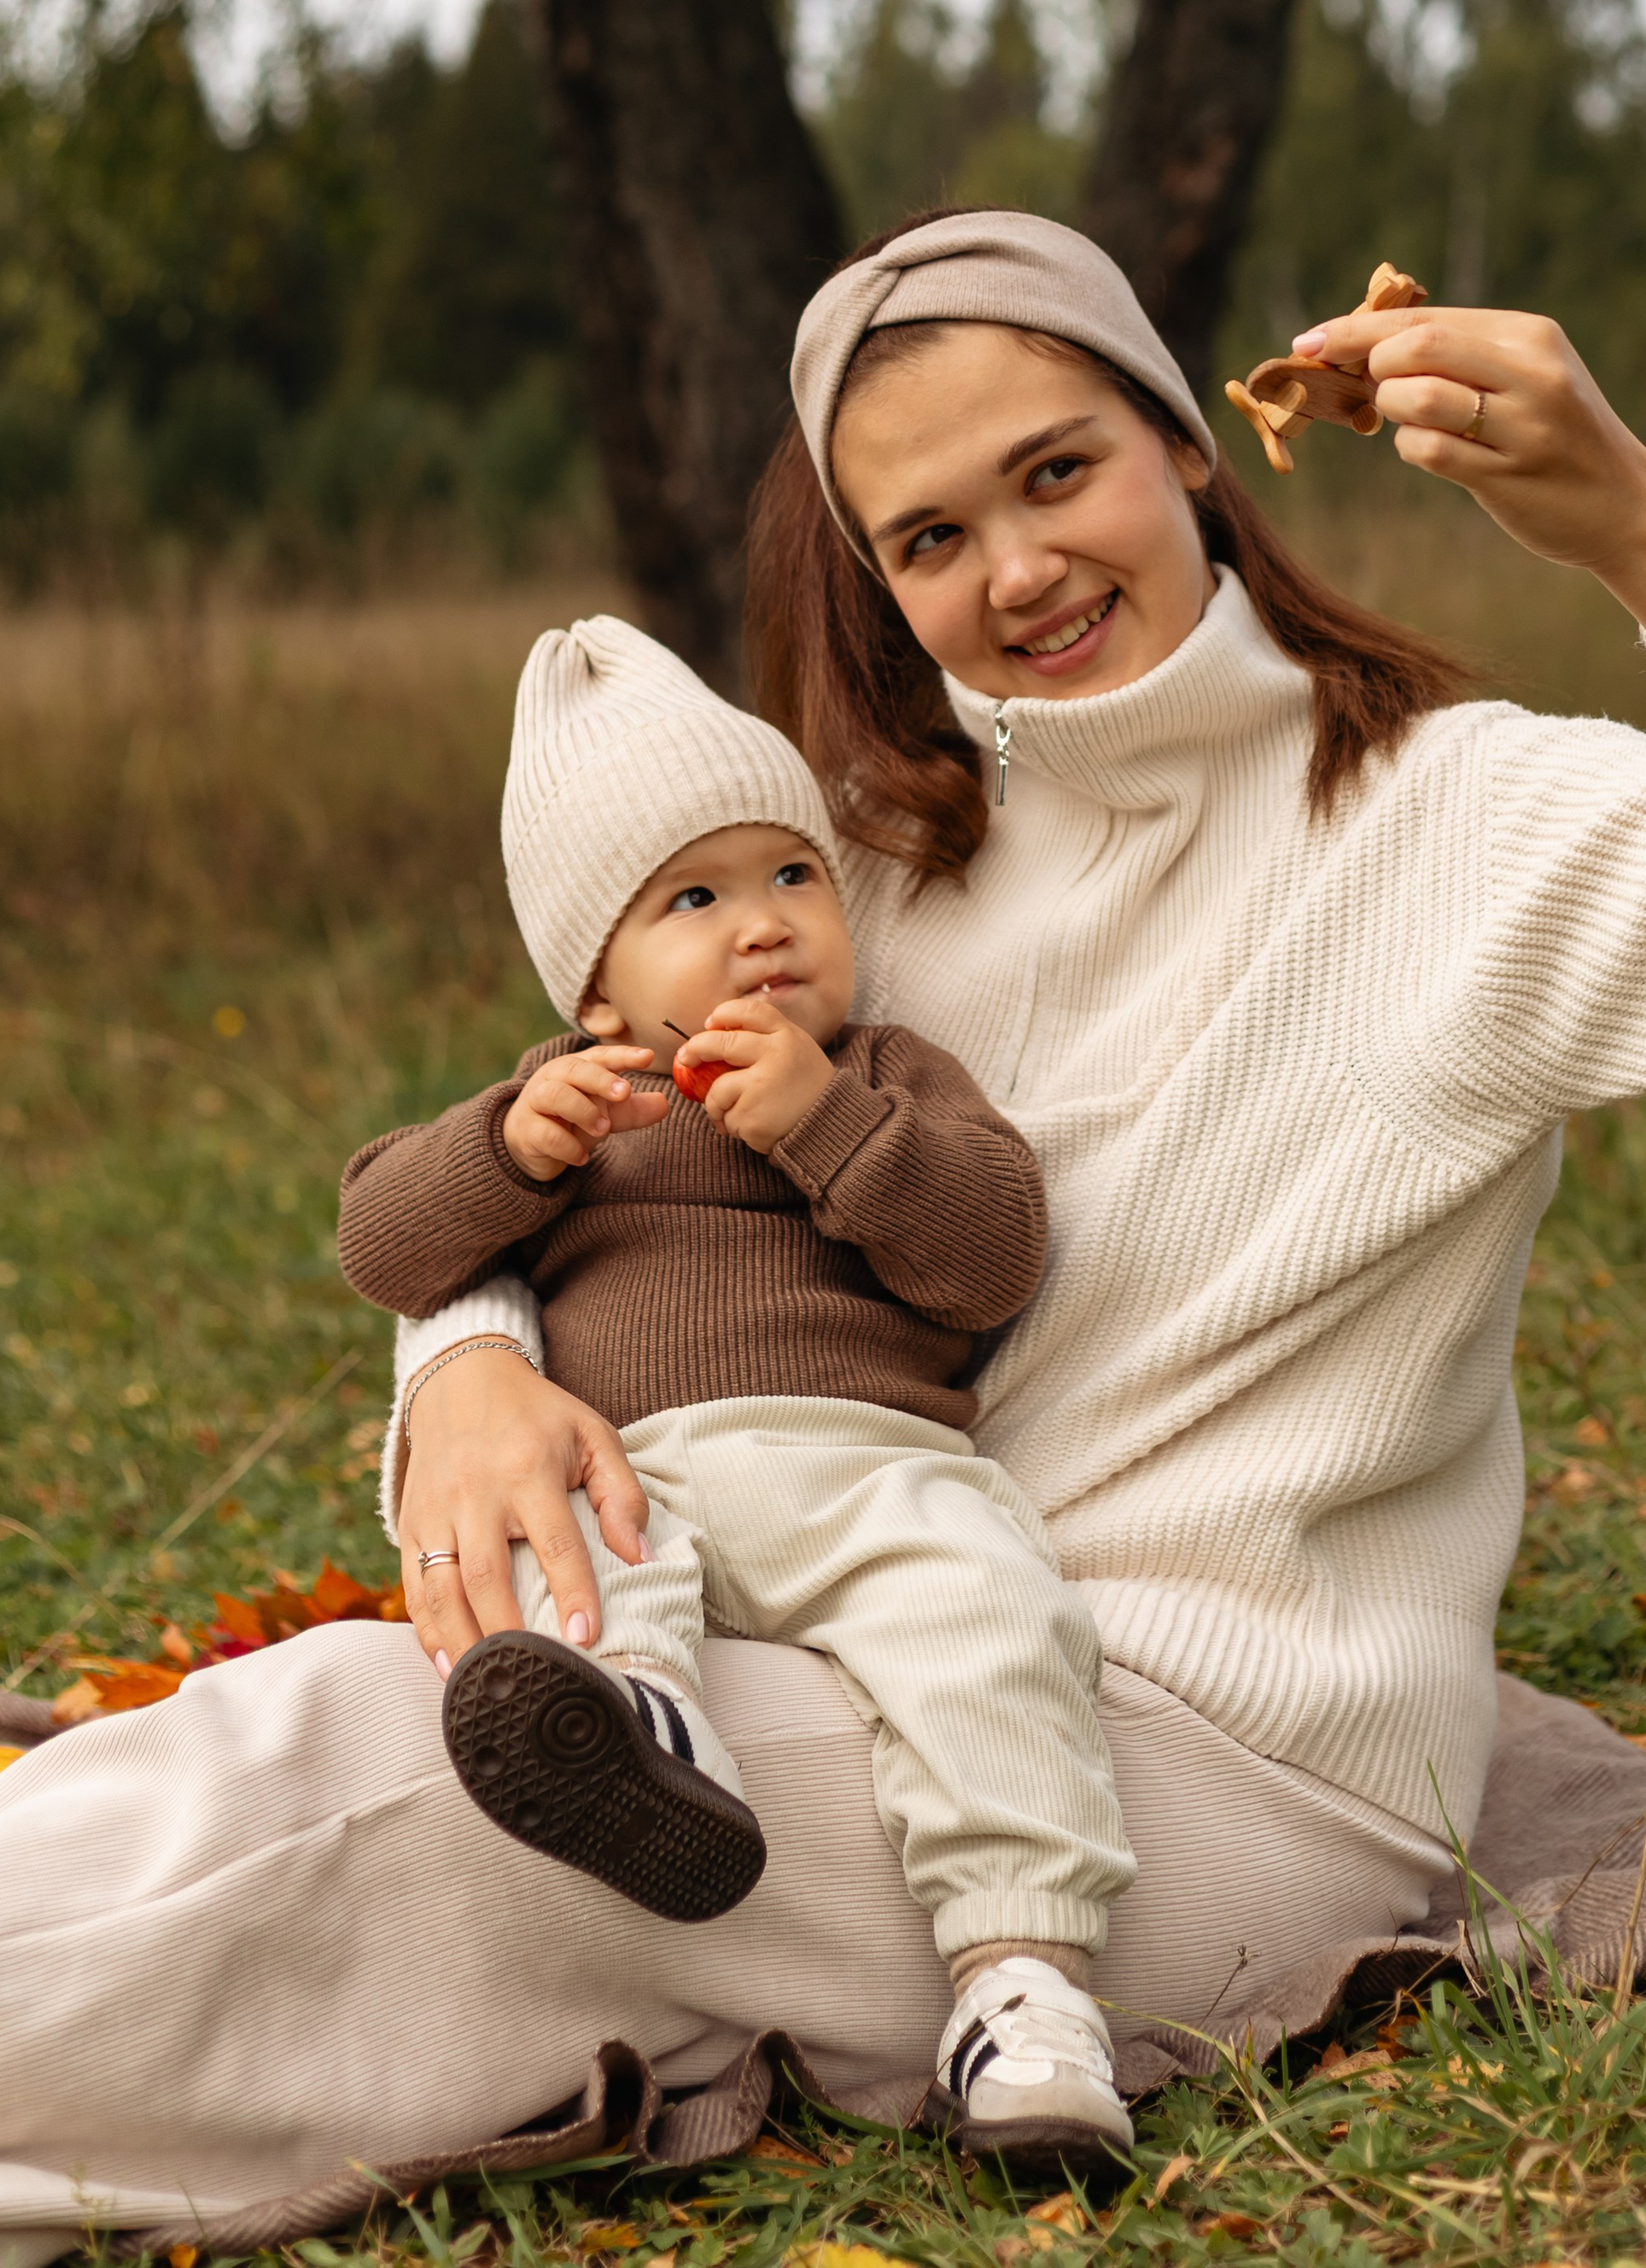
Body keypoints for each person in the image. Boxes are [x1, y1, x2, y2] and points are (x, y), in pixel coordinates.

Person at [0, 211, 1646, 2265]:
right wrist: (473, 1371)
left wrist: (1639, 528)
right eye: (930, 537)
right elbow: (586, 1165)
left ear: (1184, 445)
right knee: (363, 1750)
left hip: (1204, 1771)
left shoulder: (1456, 825)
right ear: (872, 583)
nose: (1020, 569)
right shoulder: (868, 868)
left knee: (377, 1777)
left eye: (1058, 472)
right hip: (809, 1633)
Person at [336, 617, 1138, 2166]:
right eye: (693, 899)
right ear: (594, 985)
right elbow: (384, 1244)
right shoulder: (573, 1104)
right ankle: (641, 1745)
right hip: (640, 1463)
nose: (764, 924)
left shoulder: (892, 1073)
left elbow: (991, 1258)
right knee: (573, 1559)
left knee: (991, 1631)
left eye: (793, 876)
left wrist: (833, 1126)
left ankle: (1023, 1991)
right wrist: (506, 1146)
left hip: (873, 1464)